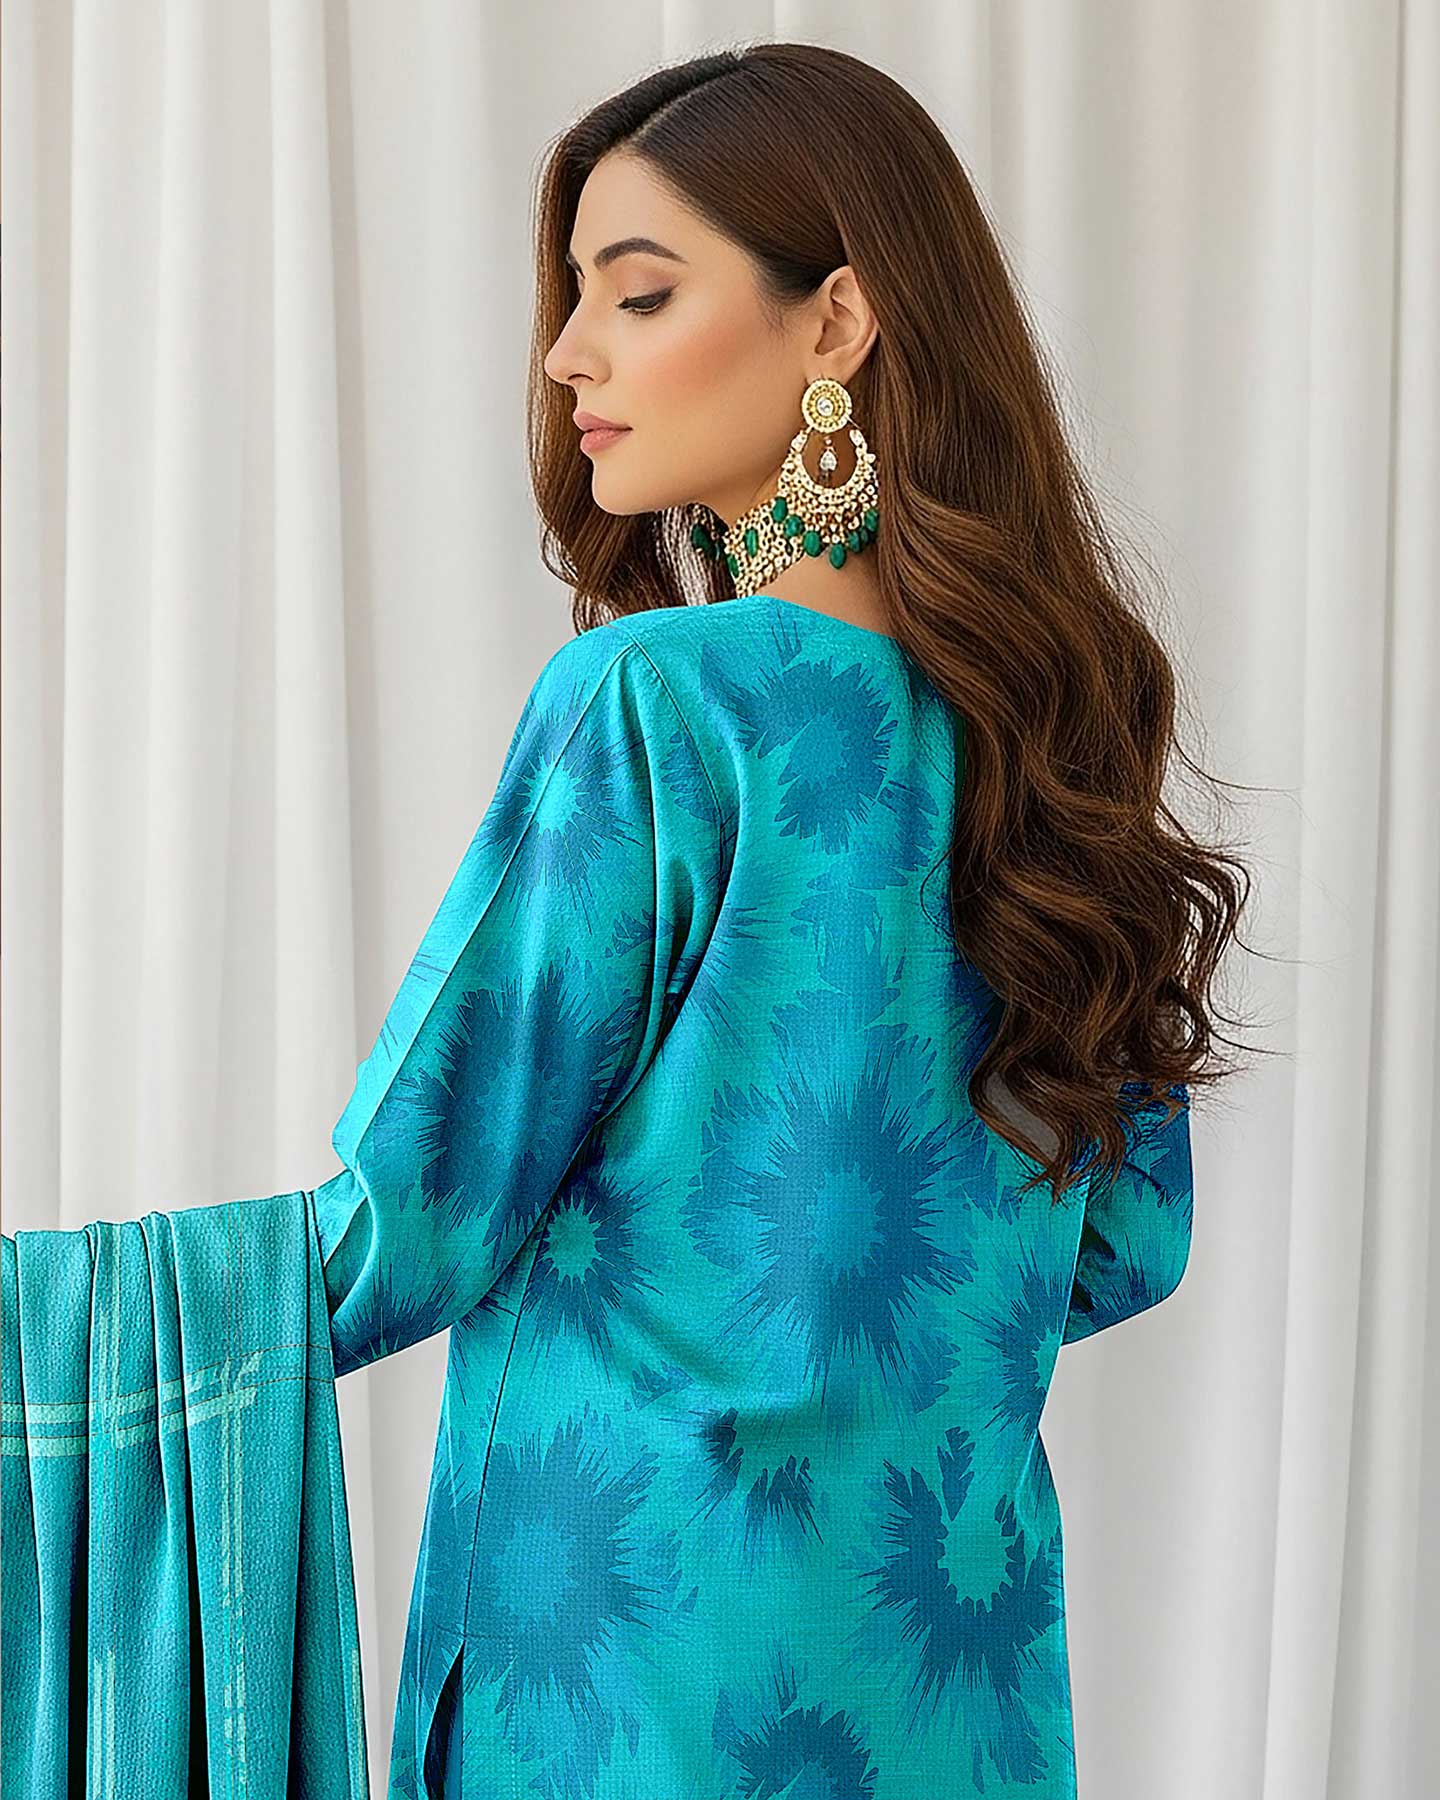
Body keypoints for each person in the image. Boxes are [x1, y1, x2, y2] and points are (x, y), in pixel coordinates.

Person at [3, 41, 1254, 1800]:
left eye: (638, 292)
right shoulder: (1060, 740)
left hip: (623, 1679)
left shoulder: (658, 705)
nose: (568, 354)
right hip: (950, 1689)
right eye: (574, 296)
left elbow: (418, 1210)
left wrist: (47, 1338)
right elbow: (1127, 1242)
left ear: (837, 322)